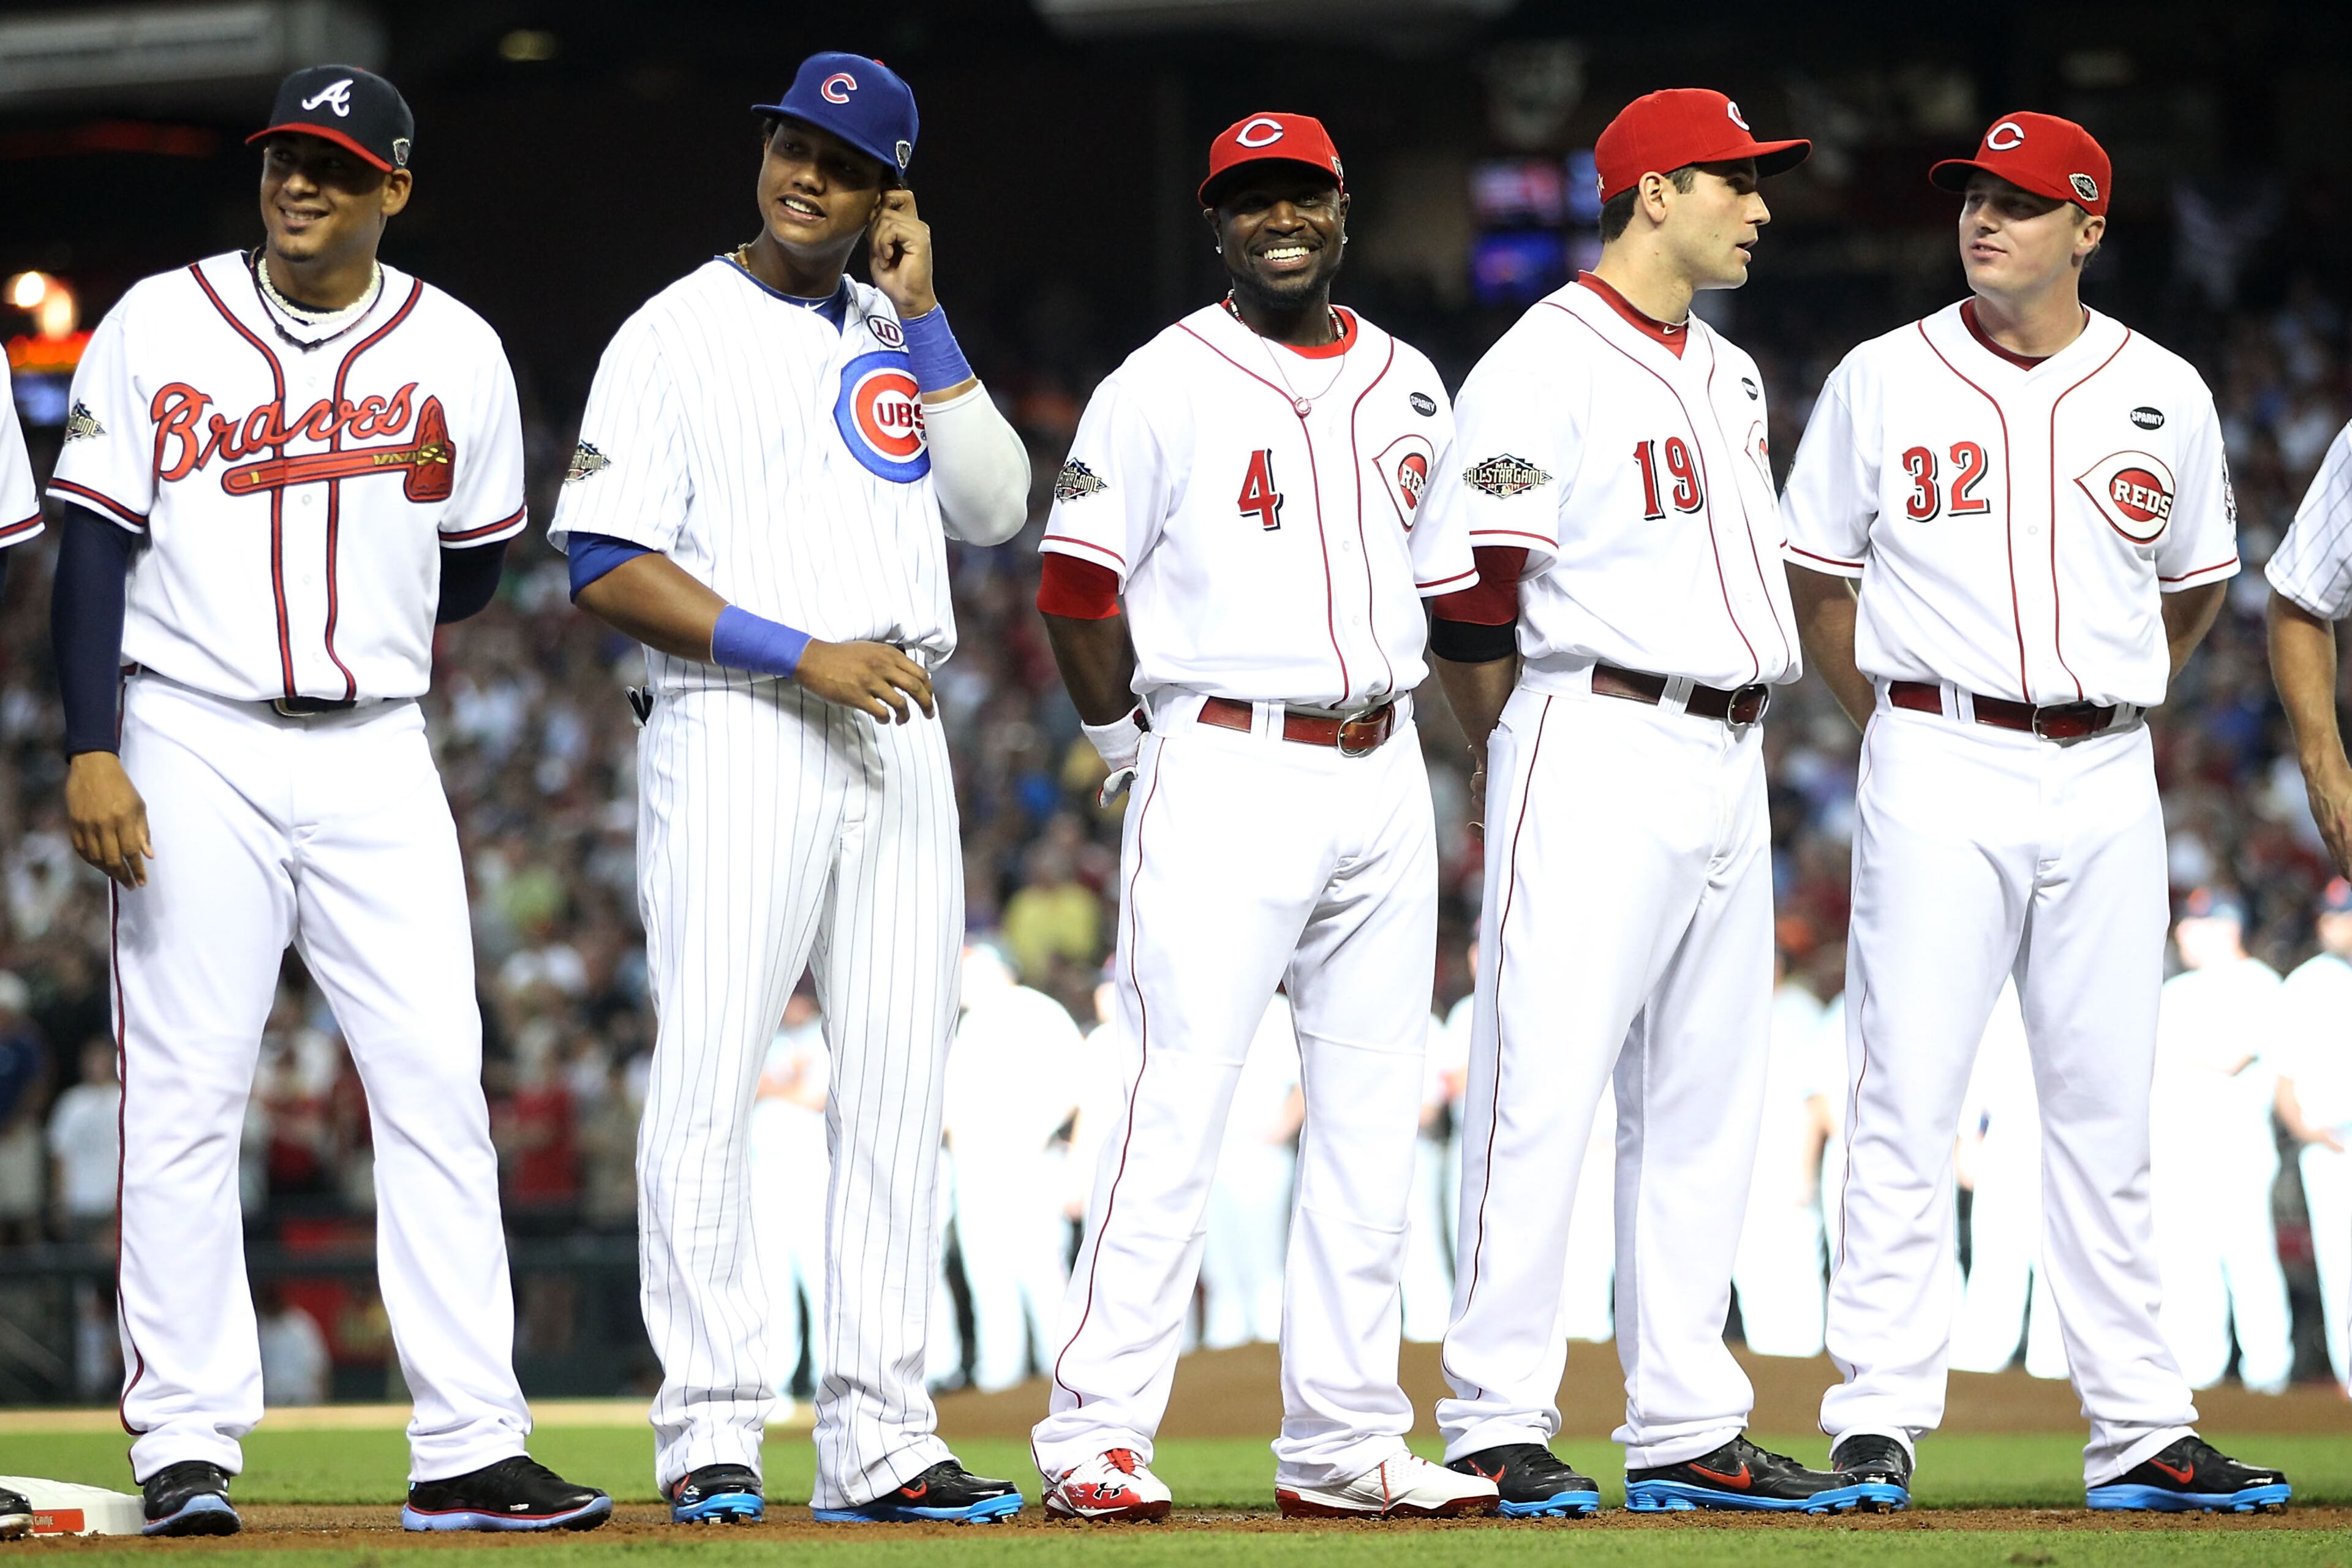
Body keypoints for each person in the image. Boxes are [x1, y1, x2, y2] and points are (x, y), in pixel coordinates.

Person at [42, 66, 609, 1536]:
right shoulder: (158, 322)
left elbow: (476, 563)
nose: (301, 183)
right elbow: (93, 546)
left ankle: (472, 1443)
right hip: (190, 731)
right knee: (181, 1094)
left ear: (392, 191)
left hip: (371, 742)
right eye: (288, 158)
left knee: (435, 1081)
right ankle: (183, 1441)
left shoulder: (459, 347)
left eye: (337, 168)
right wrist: (90, 742)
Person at [1781, 110, 2287, 1512]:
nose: (1982, 217)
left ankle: (2136, 1424)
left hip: (2103, 765)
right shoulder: (1881, 376)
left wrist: (2112, 696)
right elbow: (1816, 578)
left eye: (2017, 199)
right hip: (1937, 746)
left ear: (2086, 227)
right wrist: (1885, 712)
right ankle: (1875, 1414)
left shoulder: (2164, 389)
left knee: (2100, 1106)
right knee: (1904, 1094)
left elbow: (2192, 583)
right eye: (1971, 196)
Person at [550, 51, 1030, 1526]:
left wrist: (931, 312)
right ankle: (708, 1426)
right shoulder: (670, 330)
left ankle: (882, 1435)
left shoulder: (898, 330)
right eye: (788, 144)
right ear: (760, 151)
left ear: (890, 190)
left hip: (897, 722)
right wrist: (797, 650)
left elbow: (997, 504)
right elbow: (601, 561)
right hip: (740, 715)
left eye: (841, 159)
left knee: (894, 1091)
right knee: (709, 1081)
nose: (805, 173)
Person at [1030, 111, 1498, 1523]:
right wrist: (1128, 750)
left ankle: (1344, 1439)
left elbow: (1463, 594)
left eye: (1299, 194)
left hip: (1381, 761)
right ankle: (1094, 1431)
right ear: (1215, 223)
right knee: (1167, 1106)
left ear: (1342, 210)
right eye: (1249, 200)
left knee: (1368, 1123)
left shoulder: (1413, 381)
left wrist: (1484, 753)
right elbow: (1072, 587)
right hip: (1221, 753)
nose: (1276, 218)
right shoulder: (1157, 381)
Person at [1424, 88, 1855, 1518]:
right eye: (1735, 180)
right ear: (1653, 189)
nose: (1759, 204)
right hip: (1591, 721)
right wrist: (1514, 748)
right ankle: (1491, 1413)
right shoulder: (1540, 358)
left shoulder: (1722, 371)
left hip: (1726, 747)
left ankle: (1683, 1418)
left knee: (1700, 1102)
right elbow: (1472, 590)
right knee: (1538, 1087)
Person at [2150, 890, 2292, 1394]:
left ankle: (2269, 1373)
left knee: (2249, 1258)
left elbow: (2233, 1055)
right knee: (2190, 1266)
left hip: (2237, 1147)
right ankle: (2199, 1374)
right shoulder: (2177, 989)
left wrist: (2161, 1048)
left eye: (2193, 926)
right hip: (2179, 1146)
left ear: (2226, 928)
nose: (2183, 935)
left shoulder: (2261, 984)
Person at [943, 946, 1084, 1393]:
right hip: (976, 1169)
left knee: (1041, 1272)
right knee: (988, 1276)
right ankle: (996, 1381)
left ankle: (1062, 1380)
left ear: (993, 965)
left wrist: (1039, 1135)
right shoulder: (968, 1023)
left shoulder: (1036, 1010)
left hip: (1027, 1164)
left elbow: (1079, 1080)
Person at [1948, 981, 2068, 1380]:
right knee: (1997, 1257)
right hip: (2010, 1134)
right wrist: (1970, 1134)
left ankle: (2054, 1374)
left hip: (2067, 1135)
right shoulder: (2002, 990)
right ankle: (1979, 1369)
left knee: (2061, 1263)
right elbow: (1980, 1067)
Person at [1732, 948, 1835, 1357]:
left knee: (1795, 1288)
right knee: (1754, 1287)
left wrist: (1804, 1171)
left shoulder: (1799, 1013)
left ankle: (1804, 1384)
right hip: (1747, 1179)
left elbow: (1816, 1097)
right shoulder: (1740, 1015)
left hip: (1786, 1173)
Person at [2274, 878, 2352, 1394]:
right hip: (2332, 1145)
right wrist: (2311, 1133)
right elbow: (2284, 1082)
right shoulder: (2307, 982)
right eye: (2330, 916)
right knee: (2340, 1271)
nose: (2335, 925)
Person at [1200, 997, 1303, 1350]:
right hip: (1215, 1151)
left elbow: (1305, 1080)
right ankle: (1223, 1349)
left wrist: (1279, 1130)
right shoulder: (1207, 1004)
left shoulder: (1276, 1011)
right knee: (1219, 1268)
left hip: (1261, 1151)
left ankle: (1273, 1350)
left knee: (1264, 1263)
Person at [748, 990, 829, 1406]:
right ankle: (774, 1382)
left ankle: (825, 1380)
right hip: (764, 1171)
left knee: (819, 1278)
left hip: (809, 1172)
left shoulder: (825, 1035)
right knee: (770, 1283)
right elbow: (745, 1091)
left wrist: (771, 1086)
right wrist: (782, 1083)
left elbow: (816, 1098)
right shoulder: (766, 1040)